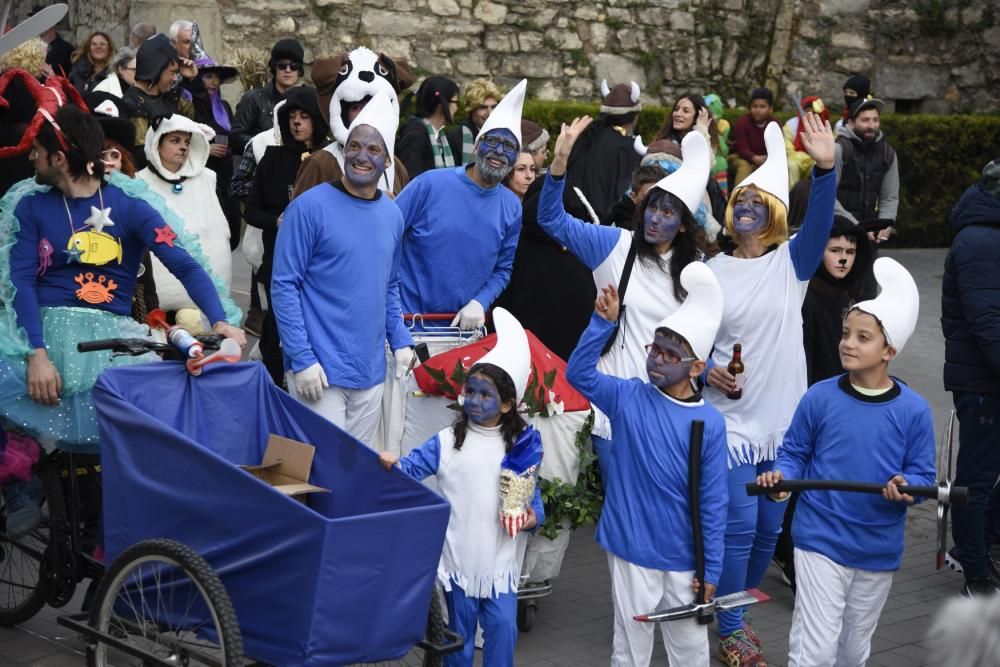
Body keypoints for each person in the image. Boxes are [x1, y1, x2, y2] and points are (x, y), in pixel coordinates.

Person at [0, 104, 243, 456]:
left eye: (37, 147)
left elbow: (185, 265)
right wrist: (36, 354)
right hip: (40, 339)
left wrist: (220, 320)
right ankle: (27, 493)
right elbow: (20, 281)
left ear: (60, 157)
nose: (31, 155)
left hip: (109, 345)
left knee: (150, 437)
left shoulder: (129, 205)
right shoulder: (30, 205)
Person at [703, 113, 836, 666]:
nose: (747, 206)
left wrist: (826, 168)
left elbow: (823, 223)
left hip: (783, 422)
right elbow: (695, 338)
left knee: (767, 530)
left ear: (777, 211)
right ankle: (731, 624)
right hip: (730, 422)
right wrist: (708, 368)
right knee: (736, 526)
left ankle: (735, 604)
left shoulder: (792, 263)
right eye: (740, 199)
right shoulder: (710, 267)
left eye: (758, 199)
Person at [758, 257, 935, 666]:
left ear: (889, 349)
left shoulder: (913, 411)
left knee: (853, 650)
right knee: (814, 648)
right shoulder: (819, 396)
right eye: (845, 334)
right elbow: (795, 452)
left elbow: (923, 476)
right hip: (819, 537)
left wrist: (906, 487)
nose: (848, 343)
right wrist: (784, 476)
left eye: (863, 337)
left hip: (877, 546)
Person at [567, 263, 727, 666]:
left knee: (690, 653)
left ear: (696, 368)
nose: (656, 359)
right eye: (654, 349)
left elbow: (713, 503)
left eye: (670, 354)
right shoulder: (628, 397)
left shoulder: (710, 423)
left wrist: (711, 571)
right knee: (630, 649)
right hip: (631, 547)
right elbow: (579, 374)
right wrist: (602, 323)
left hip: (684, 557)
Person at [539, 117, 712, 484]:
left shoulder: (697, 268)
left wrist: (712, 370)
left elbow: (702, 338)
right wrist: (559, 164)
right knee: (624, 502)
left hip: (670, 407)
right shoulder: (615, 245)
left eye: (667, 212)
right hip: (615, 402)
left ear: (683, 223)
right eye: (651, 207)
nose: (654, 218)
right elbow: (551, 219)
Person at [379, 308, 544, 667]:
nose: (473, 400)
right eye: (469, 391)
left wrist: (531, 517)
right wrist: (393, 465)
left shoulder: (520, 448)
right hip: (457, 562)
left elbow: (536, 500)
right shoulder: (446, 441)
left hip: (500, 565)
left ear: (507, 404)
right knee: (459, 638)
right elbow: (411, 468)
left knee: (502, 629)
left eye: (485, 395)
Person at [271, 91, 414, 446]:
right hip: (317, 371)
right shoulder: (308, 208)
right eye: (354, 146)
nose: (361, 156)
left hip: (370, 372)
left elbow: (390, 286)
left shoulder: (393, 215)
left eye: (373, 149)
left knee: (353, 473)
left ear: (387, 161)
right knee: (320, 472)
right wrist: (301, 358)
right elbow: (284, 285)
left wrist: (401, 342)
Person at [772, 215, 874, 589]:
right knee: (801, 480)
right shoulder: (806, 295)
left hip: (847, 399)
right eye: (835, 250)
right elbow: (804, 355)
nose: (844, 259)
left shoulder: (856, 293)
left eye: (850, 251)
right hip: (811, 397)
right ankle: (788, 550)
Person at [395, 79, 527, 329]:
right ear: (477, 146)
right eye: (492, 141)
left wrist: (480, 301)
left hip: (461, 334)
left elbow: (503, 269)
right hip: (405, 326)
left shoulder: (512, 206)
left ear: (515, 159)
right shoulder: (428, 185)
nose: (499, 151)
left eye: (509, 146)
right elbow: (385, 235)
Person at [941, 157, 1000, 596]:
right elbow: (987, 321)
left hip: (988, 374)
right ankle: (974, 567)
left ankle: (987, 542)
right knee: (976, 478)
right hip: (982, 380)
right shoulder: (979, 240)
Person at [246, 87, 330, 385]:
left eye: (304, 116)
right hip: (279, 258)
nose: (297, 123)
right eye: (291, 117)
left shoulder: (328, 159)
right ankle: (273, 385)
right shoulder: (273, 158)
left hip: (318, 263)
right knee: (278, 327)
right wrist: (277, 220)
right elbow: (251, 211)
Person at [137, 114, 233, 323]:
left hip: (201, 294)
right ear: (156, 143)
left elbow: (219, 226)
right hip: (159, 295)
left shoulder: (207, 179)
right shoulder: (138, 182)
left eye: (187, 142)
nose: (183, 147)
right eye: (174, 141)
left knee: (199, 350)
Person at [290, 46, 414, 197]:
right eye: (357, 107)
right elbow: (298, 215)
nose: (366, 114)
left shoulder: (395, 165)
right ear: (343, 112)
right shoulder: (321, 163)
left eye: (372, 105)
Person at [562, 80, 642, 221]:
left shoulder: (585, 136)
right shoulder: (630, 148)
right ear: (635, 116)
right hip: (605, 229)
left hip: (570, 219)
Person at [120, 34, 201, 169]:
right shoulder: (133, 104)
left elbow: (199, 121)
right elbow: (140, 154)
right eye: (172, 72)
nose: (175, 78)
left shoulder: (172, 98)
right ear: (157, 69)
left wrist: (193, 80)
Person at [192, 53, 241, 247]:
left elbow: (232, 134)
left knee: (231, 227)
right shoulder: (190, 106)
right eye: (207, 77)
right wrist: (206, 149)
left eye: (216, 77)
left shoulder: (224, 107)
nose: (214, 82)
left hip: (225, 173)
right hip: (203, 171)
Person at [834, 96, 899, 242]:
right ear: (851, 123)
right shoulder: (838, 150)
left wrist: (885, 224)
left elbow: (889, 197)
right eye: (865, 120)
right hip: (836, 233)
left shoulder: (888, 154)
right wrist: (856, 226)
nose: (872, 125)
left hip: (869, 236)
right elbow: (827, 197)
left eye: (875, 120)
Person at [229, 38, 303, 156]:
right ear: (274, 67)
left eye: (294, 66)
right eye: (282, 65)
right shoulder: (253, 98)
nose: (288, 70)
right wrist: (267, 143)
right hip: (260, 167)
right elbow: (235, 138)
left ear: (299, 70)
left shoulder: (305, 100)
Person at [396, 75, 459, 178]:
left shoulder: (440, 136)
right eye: (455, 102)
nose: (457, 108)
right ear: (441, 104)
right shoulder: (415, 135)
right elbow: (411, 180)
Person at [446, 77, 503, 166]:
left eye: (494, 107)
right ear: (471, 110)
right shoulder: (456, 136)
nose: (490, 113)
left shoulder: (505, 134)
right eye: (483, 107)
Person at [728, 87, 778, 185]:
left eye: (762, 107)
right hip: (741, 157)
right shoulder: (742, 123)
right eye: (755, 106)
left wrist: (768, 159)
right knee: (744, 166)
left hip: (765, 159)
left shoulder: (774, 124)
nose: (758, 110)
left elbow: (777, 147)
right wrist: (754, 158)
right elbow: (742, 148)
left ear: (770, 109)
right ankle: (739, 198)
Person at [784, 96, 830, 187]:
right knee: (792, 165)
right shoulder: (791, 124)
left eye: (812, 111)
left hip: (814, 159)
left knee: (820, 166)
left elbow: (827, 147)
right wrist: (801, 157)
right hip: (796, 159)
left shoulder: (822, 126)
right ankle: (792, 195)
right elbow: (787, 148)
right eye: (807, 110)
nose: (809, 113)